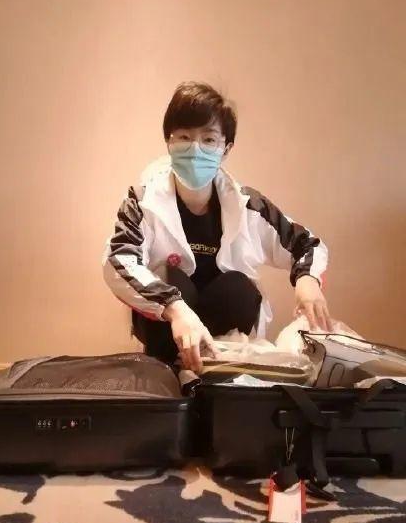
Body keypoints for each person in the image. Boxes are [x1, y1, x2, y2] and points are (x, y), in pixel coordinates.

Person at [103, 82, 333, 374]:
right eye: (184, 137)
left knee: (237, 287)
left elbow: (306, 244)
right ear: (169, 142)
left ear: (226, 148)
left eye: (209, 139)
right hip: (167, 335)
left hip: (228, 343)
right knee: (176, 283)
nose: (195, 148)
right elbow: (119, 260)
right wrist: (175, 307)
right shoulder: (141, 201)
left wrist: (307, 281)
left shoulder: (249, 206)